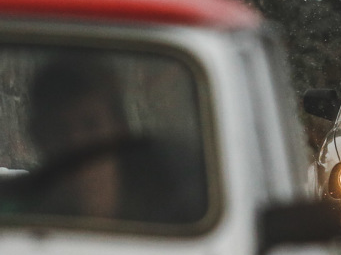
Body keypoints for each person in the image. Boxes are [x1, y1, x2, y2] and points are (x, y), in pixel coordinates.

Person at [13, 55, 206, 223]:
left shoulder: (181, 213)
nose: (77, 145)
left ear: (119, 131)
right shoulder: (16, 220)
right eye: (60, 130)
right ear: (38, 137)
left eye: (91, 126)